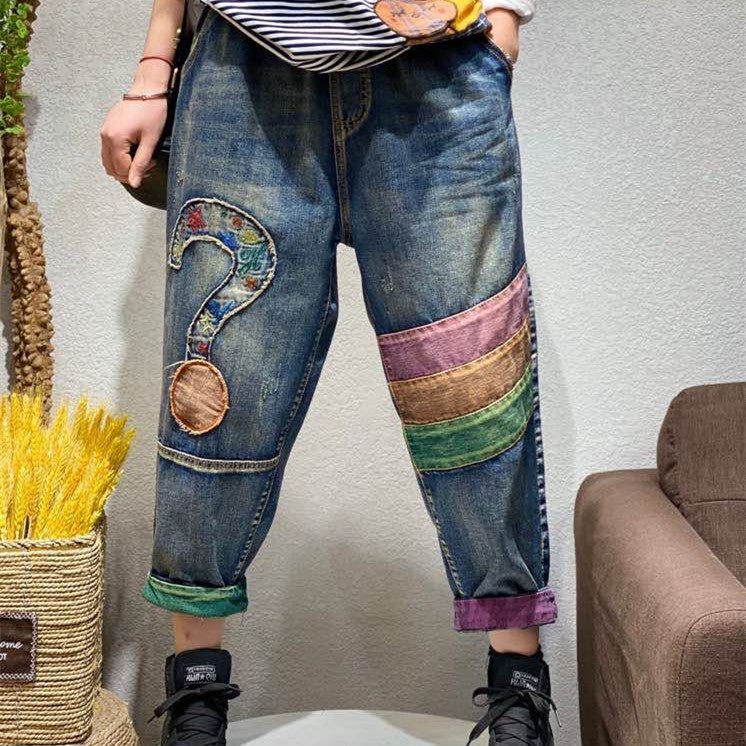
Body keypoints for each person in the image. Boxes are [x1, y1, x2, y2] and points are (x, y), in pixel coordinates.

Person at [100, 1, 558, 744]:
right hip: (244, 66)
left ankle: (519, 689)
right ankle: (196, 695)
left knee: (472, 384)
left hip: (436, 64)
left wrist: (503, 17)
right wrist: (155, 69)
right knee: (219, 389)